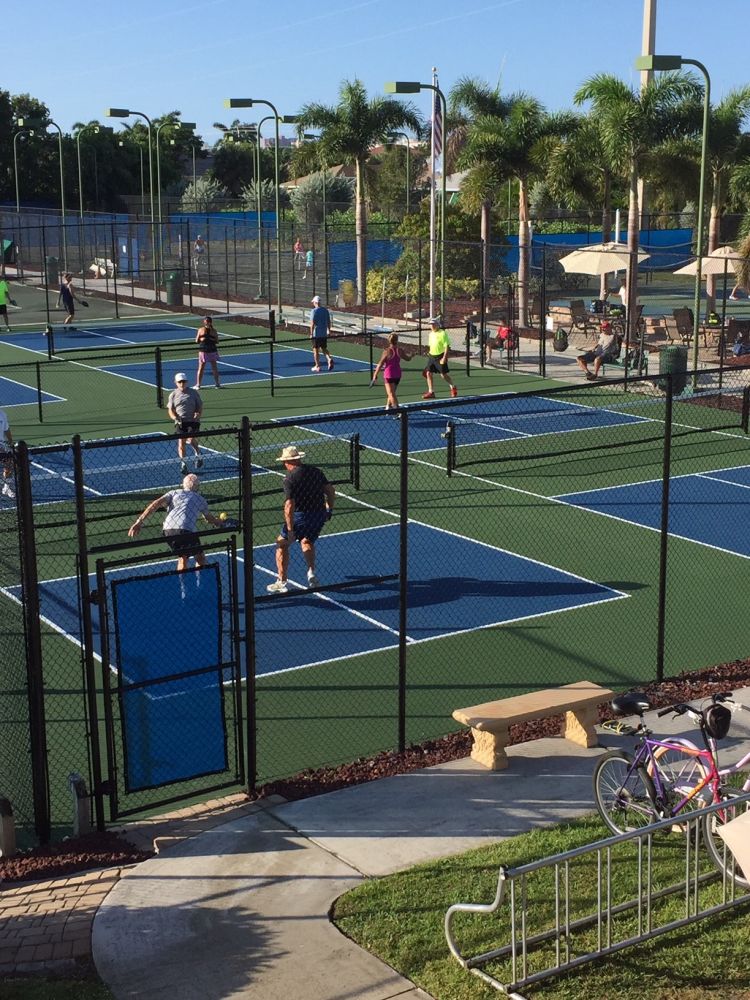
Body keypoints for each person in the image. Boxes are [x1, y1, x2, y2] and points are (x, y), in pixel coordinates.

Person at [266, 445, 335, 594]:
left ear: (288, 462)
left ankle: (282, 581)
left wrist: (290, 529)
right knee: (307, 541)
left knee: (281, 544)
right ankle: (311, 573)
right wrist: (329, 509)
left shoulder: (289, 479)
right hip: (318, 515)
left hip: (300, 517)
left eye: (284, 461)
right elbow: (330, 490)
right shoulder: (316, 472)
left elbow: (289, 505)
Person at [127, 473, 224, 573]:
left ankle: (182, 584)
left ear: (183, 485)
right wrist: (218, 522)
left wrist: (139, 522)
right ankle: (201, 583)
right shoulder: (200, 499)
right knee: (200, 558)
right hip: (186, 530)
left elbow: (156, 504)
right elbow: (209, 519)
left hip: (167, 531)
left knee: (183, 557)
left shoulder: (174, 493)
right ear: (197, 486)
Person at [167, 372, 203, 474]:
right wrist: (175, 417)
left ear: (186, 382)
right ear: (176, 383)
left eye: (183, 381)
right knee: (181, 443)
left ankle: (198, 454)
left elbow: (200, 406)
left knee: (191, 440)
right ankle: (183, 464)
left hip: (193, 421)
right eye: (180, 382)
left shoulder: (194, 393)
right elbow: (170, 409)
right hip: (180, 422)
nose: (182, 384)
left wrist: (198, 414)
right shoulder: (173, 395)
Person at [371, 333, 413, 410]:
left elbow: (380, 364)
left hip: (389, 375)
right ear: (397, 340)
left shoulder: (387, 351)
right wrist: (411, 355)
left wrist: (375, 375)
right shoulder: (400, 350)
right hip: (397, 375)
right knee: (392, 392)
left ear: (389, 341)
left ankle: (398, 411)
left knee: (391, 394)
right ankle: (388, 406)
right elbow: (408, 359)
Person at [422, 317, 458, 399]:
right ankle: (431, 392)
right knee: (428, 373)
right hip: (431, 356)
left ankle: (453, 386)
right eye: (431, 325)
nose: (432, 326)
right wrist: (429, 353)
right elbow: (431, 345)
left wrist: (444, 357)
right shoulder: (430, 334)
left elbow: (446, 346)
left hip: (440, 356)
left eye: (433, 324)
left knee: (443, 375)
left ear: (437, 325)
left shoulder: (443, 333)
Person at [195, 316, 221, 389]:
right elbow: (217, 341)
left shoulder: (200, 330)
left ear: (204, 322)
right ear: (211, 322)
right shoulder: (214, 331)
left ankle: (198, 385)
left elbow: (196, 340)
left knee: (201, 368)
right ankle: (217, 384)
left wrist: (203, 339)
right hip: (212, 350)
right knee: (214, 368)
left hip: (204, 350)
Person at [309, 295, 334, 372]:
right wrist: (329, 331)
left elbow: (312, 323)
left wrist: (311, 334)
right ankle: (329, 358)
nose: (313, 303)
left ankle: (317, 366)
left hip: (316, 334)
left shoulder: (314, 311)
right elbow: (329, 322)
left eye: (313, 302)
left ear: (315, 302)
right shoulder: (325, 310)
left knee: (315, 350)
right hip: (323, 334)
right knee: (323, 348)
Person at [0, 407, 14, 499]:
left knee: (9, 464)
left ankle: (6, 487)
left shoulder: (2, 414)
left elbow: (7, 429)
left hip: (1, 445)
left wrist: (11, 442)